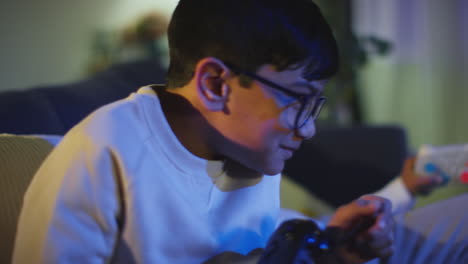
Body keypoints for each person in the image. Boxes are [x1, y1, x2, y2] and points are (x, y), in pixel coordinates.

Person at [12, 0, 466, 263]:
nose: (308, 130)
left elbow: (257, 244)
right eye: (298, 101)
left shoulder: (245, 147)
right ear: (214, 85)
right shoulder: (101, 152)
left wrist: (331, 244)